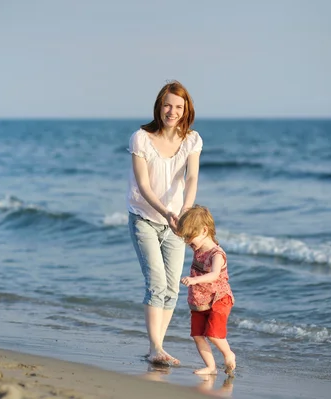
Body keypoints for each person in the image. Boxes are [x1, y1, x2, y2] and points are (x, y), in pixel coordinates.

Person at [127, 80, 203, 366]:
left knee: (172, 286)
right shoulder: (141, 138)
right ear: (159, 106)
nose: (172, 111)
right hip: (145, 218)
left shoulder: (192, 139)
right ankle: (155, 346)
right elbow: (143, 184)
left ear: (186, 110)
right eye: (167, 105)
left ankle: (158, 347)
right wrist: (167, 212)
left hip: (176, 222)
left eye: (179, 107)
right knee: (156, 281)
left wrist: (184, 210)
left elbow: (192, 177)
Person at [177, 205, 236, 375]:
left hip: (219, 298)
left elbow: (215, 274)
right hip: (199, 300)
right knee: (197, 335)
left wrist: (195, 280)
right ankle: (211, 367)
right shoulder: (197, 247)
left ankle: (228, 354)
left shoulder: (216, 254)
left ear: (204, 230)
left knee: (213, 334)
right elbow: (183, 231)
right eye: (185, 237)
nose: (187, 241)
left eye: (190, 237)